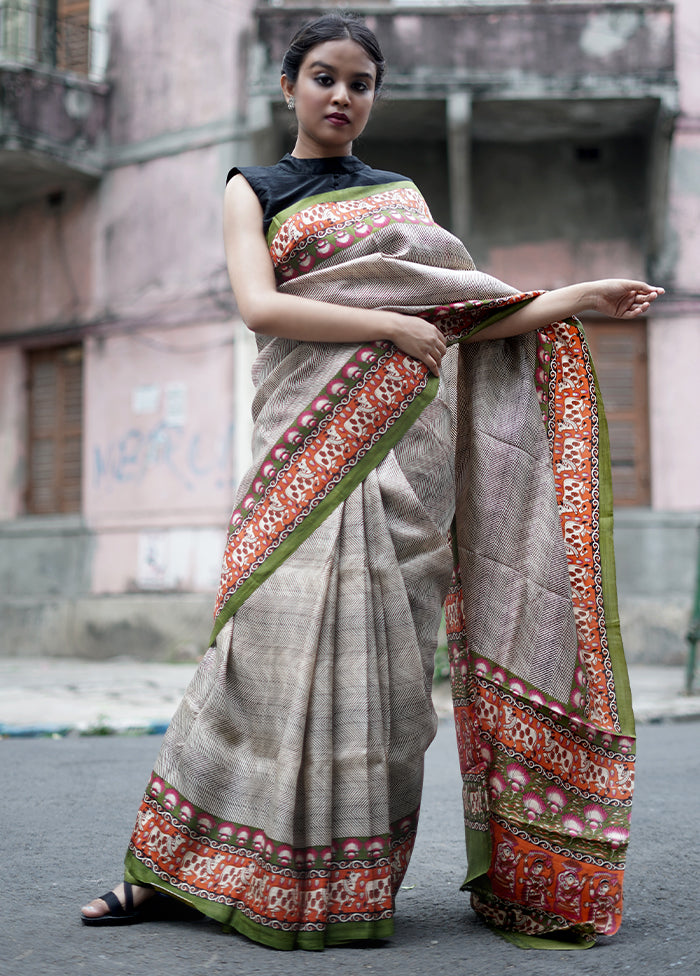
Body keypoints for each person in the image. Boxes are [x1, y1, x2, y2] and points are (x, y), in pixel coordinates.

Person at [81, 13, 662, 950]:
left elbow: (476, 314)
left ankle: (345, 885)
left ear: (373, 95)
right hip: (300, 462)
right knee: (251, 671)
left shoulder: (399, 199)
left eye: (359, 81)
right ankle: (180, 875)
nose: (341, 95)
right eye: (323, 77)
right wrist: (390, 329)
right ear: (290, 88)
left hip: (401, 474)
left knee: (389, 687)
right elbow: (259, 305)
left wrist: (581, 297)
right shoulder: (253, 188)